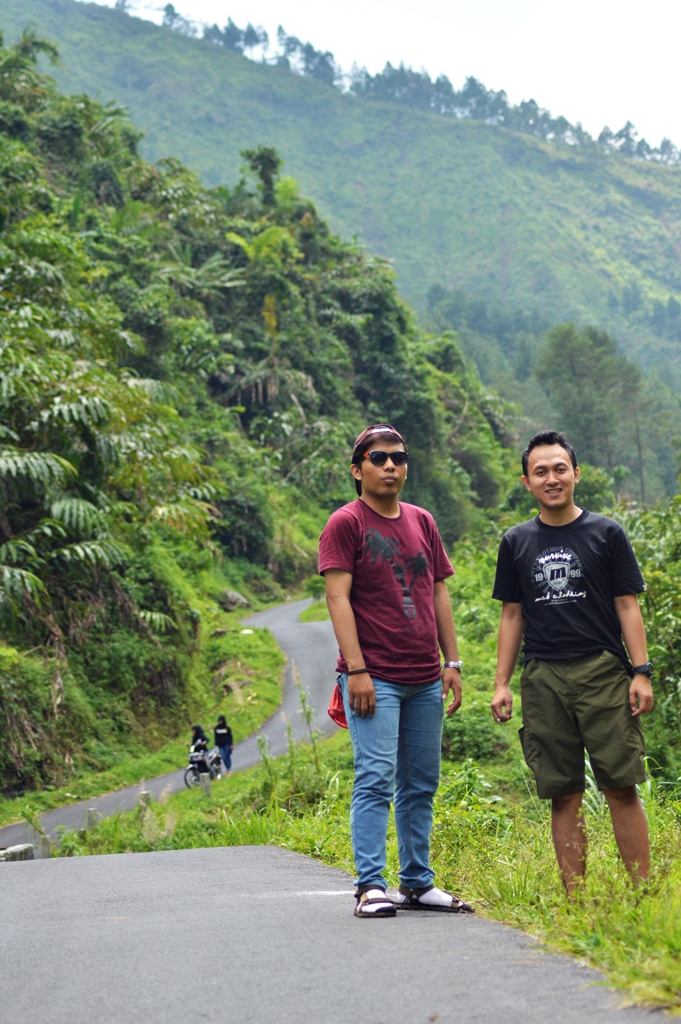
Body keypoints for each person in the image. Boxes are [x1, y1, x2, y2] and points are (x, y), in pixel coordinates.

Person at [319, 423, 474, 918]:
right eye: (379, 457)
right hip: (374, 677)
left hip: (426, 676)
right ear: (357, 468)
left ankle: (417, 882)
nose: (390, 465)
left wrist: (451, 662)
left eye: (399, 457)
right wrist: (358, 670)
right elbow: (337, 597)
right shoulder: (346, 523)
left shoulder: (422, 521)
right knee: (376, 778)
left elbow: (437, 591)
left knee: (421, 781)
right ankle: (370, 885)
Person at [490, 429, 654, 896]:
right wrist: (502, 684)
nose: (552, 478)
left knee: (621, 785)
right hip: (542, 676)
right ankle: (575, 901)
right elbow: (512, 614)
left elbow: (627, 605)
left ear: (576, 474)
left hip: (603, 671)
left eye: (560, 468)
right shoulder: (516, 541)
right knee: (563, 793)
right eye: (540, 471)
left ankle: (642, 894)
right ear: (527, 482)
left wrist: (640, 672)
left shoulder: (606, 533)